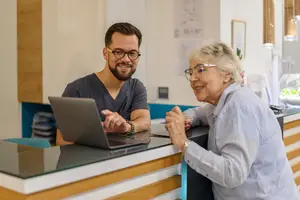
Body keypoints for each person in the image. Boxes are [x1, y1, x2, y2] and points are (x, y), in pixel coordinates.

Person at [165, 42, 299, 200]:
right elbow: (198, 112)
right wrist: (187, 118)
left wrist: (183, 143)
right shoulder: (225, 102)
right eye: (191, 72)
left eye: (201, 69)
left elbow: (232, 173)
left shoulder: (239, 105)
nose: (193, 78)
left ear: (226, 74)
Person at [56, 22, 150, 146]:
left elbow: (144, 121)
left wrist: (126, 127)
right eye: (118, 52)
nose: (126, 59)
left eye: (132, 53)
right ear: (106, 53)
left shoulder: (136, 87)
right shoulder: (76, 90)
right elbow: (62, 141)